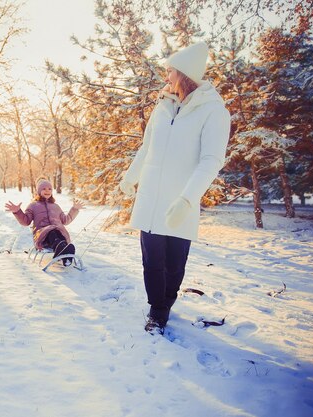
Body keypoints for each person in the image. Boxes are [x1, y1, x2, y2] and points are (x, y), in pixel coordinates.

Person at [119, 42, 231, 334]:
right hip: (150, 198)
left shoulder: (214, 111)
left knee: (174, 263)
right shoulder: (162, 106)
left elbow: (211, 160)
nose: (165, 77)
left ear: (184, 74)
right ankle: (157, 310)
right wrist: (131, 177)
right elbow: (147, 147)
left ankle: (165, 302)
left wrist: (187, 199)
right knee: (151, 260)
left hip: (181, 200)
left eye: (169, 71)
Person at [5, 178, 85, 266]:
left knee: (58, 232)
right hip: (42, 236)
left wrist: (75, 209)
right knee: (51, 232)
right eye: (44, 189)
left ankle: (66, 255)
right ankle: (61, 247)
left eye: (49, 189)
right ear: (39, 191)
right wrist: (17, 211)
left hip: (58, 233)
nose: (47, 191)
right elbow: (26, 221)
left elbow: (65, 220)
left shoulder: (55, 206)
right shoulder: (33, 206)